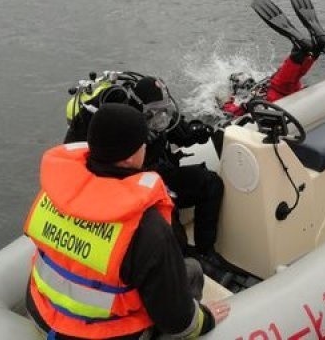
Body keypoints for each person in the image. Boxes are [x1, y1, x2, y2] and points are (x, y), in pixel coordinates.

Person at [24, 103, 230, 339]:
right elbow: (176, 320)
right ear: (133, 156)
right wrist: (205, 320)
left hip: (42, 313)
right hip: (104, 334)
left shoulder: (52, 195)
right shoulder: (147, 228)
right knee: (192, 269)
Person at [65, 74, 226, 268]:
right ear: (139, 106)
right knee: (167, 224)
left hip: (160, 174)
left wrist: (199, 131)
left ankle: (205, 252)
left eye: (163, 111)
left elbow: (181, 133)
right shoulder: (119, 122)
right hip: (126, 186)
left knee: (210, 183)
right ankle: (178, 262)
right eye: (153, 113)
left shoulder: (162, 115)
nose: (160, 118)